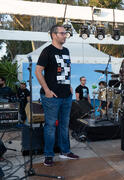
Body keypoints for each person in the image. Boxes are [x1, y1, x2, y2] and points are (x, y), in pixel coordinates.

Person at [35, 24, 79, 167]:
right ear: (54, 35)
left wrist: (69, 85)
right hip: (51, 97)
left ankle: (65, 151)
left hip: (66, 95)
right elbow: (38, 71)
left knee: (65, 125)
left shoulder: (66, 50)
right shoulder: (47, 51)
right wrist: (46, 90)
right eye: (62, 33)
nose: (65, 35)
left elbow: (63, 71)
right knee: (50, 126)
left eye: (65, 33)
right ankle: (48, 155)